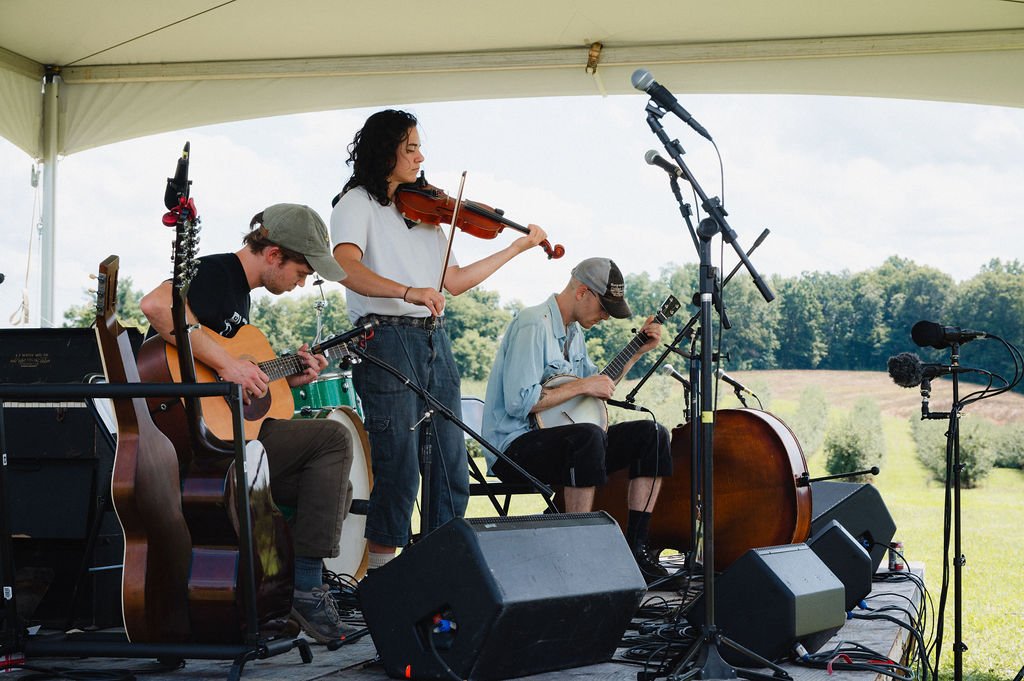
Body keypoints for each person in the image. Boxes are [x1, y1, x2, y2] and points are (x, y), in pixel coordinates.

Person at [329, 109, 547, 572]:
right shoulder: (355, 204)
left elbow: (455, 280)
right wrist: (409, 292)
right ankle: (384, 582)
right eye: (410, 148)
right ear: (384, 150)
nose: (420, 157)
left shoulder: (426, 214)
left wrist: (515, 247)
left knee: (449, 463)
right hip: (384, 339)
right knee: (400, 467)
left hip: (434, 340)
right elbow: (348, 269)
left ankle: (439, 571)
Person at [140, 203, 356, 644]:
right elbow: (156, 306)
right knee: (332, 439)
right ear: (274, 254)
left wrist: (285, 378)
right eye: (300, 272)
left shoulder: (240, 296)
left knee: (334, 489)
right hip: (194, 438)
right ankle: (305, 585)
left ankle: (276, 590)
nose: (300, 285)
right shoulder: (217, 272)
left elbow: (240, 385)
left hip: (229, 434)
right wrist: (229, 364)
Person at [481, 257, 677, 585]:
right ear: (582, 291)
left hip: (563, 439)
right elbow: (520, 402)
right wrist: (585, 385)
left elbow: (595, 386)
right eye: (603, 308)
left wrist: (638, 350)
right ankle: (576, 554)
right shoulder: (534, 324)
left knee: (653, 435)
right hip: (514, 446)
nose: (604, 318)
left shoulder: (574, 332)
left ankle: (636, 551)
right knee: (587, 436)